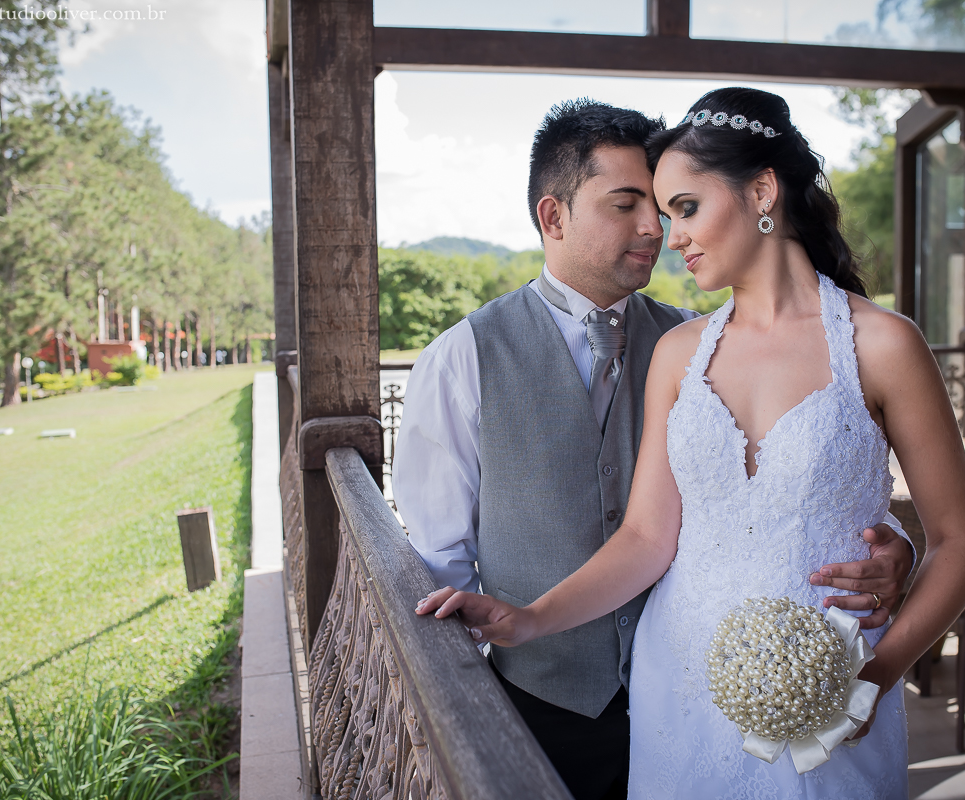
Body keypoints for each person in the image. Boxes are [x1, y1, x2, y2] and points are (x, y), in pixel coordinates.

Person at [396, 97, 923, 800]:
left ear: (760, 193)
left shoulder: (691, 338)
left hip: (726, 685)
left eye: (672, 206)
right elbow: (439, 562)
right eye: (629, 205)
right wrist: (499, 650)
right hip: (544, 701)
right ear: (553, 217)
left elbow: (820, 491)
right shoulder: (464, 357)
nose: (658, 230)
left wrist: (899, 550)